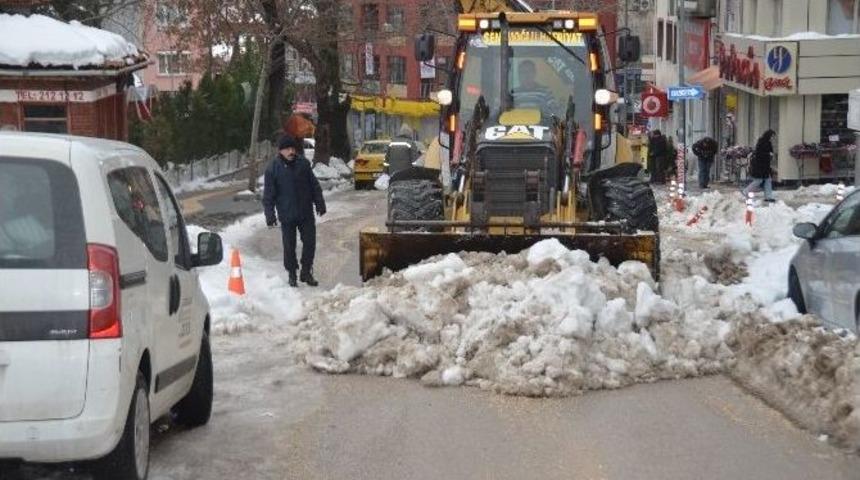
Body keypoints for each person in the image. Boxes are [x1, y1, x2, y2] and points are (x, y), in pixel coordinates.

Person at [263, 135, 326, 287]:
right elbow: (268, 195)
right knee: (289, 246)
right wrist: (270, 215)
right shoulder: (273, 168)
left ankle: (306, 271)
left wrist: (320, 203)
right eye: (288, 149)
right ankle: (292, 273)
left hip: (305, 212)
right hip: (287, 214)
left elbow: (314, 185)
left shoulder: (303, 164)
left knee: (310, 243)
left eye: (293, 149)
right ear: (281, 151)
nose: (291, 151)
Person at [743, 129, 777, 202]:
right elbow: (759, 153)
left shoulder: (766, 142)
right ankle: (746, 191)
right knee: (759, 180)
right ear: (769, 135)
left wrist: (770, 155)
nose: (773, 138)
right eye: (772, 136)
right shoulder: (763, 142)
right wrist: (769, 154)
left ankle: (768, 197)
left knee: (767, 180)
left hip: (764, 165)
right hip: (760, 165)